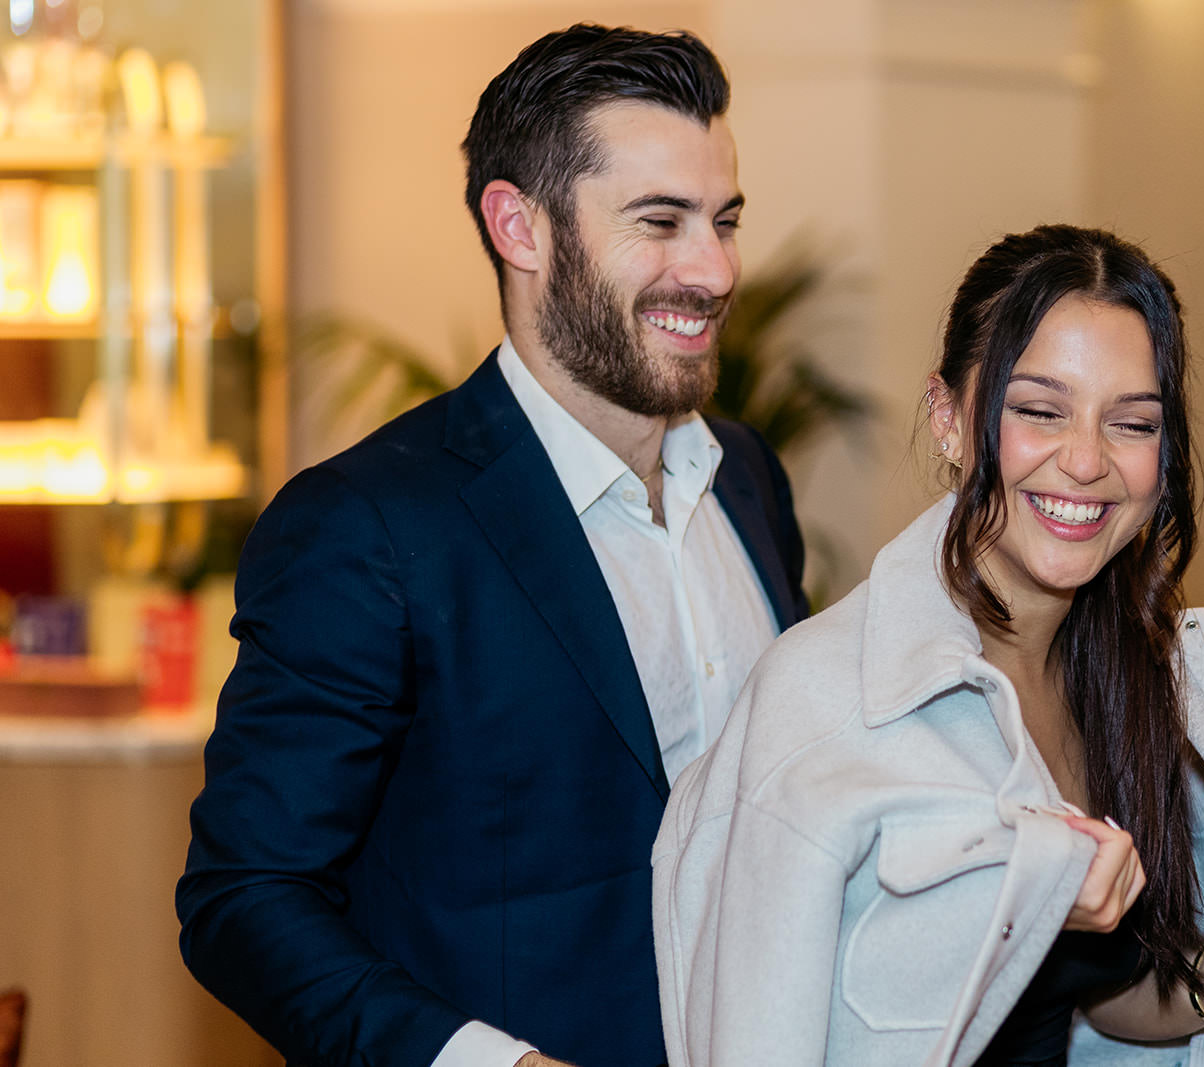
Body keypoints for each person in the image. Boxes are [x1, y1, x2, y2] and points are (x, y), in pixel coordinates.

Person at [653, 224, 1204, 1065]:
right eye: (1040, 411)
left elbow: (1106, 997)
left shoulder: (1140, 685)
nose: (1086, 461)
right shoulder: (818, 705)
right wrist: (1014, 910)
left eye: (1132, 424)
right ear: (950, 420)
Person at [177, 25, 806, 1067]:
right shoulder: (366, 526)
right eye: (661, 221)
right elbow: (246, 896)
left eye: (724, 219)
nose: (714, 268)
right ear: (519, 225)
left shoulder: (748, 480)